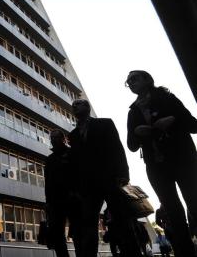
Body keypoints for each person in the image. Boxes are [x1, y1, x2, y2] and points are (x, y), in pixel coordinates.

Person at [126, 70, 197, 257]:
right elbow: (131, 146)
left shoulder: (167, 98)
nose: (130, 82)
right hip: (156, 167)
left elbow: (193, 125)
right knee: (173, 212)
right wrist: (137, 133)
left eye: (134, 78)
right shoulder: (133, 111)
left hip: (183, 159)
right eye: (128, 81)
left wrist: (173, 120)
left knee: (195, 202)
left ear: (147, 79)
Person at [68, 99, 142, 257]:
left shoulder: (105, 124)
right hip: (88, 186)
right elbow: (75, 163)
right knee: (88, 224)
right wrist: (76, 187)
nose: (74, 106)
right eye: (73, 106)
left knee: (122, 220)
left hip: (110, 179)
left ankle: (133, 253)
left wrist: (124, 173)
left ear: (87, 108)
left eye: (78, 104)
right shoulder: (73, 135)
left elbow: (117, 148)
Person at [44, 129, 81, 257]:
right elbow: (47, 183)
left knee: (77, 233)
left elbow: (80, 176)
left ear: (63, 139)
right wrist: (48, 202)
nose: (53, 140)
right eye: (51, 138)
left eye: (56, 137)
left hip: (73, 200)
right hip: (55, 202)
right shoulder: (49, 160)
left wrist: (77, 193)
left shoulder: (72, 154)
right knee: (58, 236)